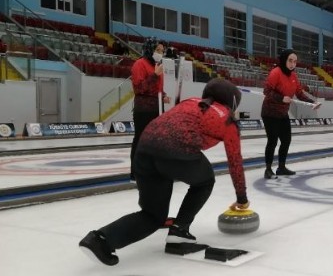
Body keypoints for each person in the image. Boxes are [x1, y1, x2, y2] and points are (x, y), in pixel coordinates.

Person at [79, 79, 250, 266]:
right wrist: (242, 198)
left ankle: (99, 239)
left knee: (152, 215)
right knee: (205, 180)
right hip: (176, 152)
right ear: (233, 102)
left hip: (143, 151)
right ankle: (179, 230)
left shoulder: (191, 101)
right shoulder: (227, 120)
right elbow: (235, 163)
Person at [261, 49, 320, 179]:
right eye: (290, 60)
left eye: (295, 61)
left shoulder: (293, 76)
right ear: (284, 60)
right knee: (272, 141)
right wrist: (281, 98)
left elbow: (299, 93)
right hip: (270, 113)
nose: (293, 64)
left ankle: (281, 167)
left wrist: (312, 102)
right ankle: (268, 169)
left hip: (282, 113)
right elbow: (266, 91)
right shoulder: (275, 73)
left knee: (286, 140)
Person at [129, 38, 170, 181]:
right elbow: (139, 88)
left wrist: (164, 95)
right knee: (140, 140)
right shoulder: (139, 64)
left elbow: (156, 88)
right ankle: (135, 173)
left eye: (162, 51)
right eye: (158, 50)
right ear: (149, 49)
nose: (161, 53)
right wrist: (154, 75)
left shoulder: (157, 66)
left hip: (158, 109)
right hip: (144, 110)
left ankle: (153, 170)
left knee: (157, 141)